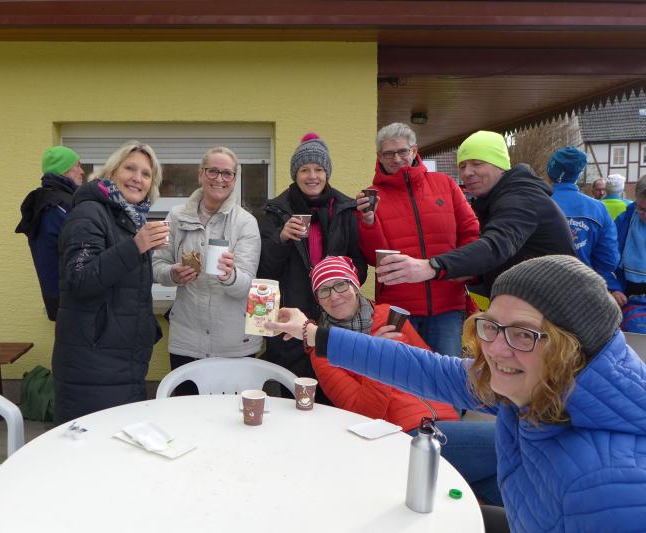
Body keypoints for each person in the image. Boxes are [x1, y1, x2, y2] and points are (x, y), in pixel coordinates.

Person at [270, 255, 646, 532]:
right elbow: (428, 369)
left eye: (522, 333)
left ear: (571, 347)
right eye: (491, 327)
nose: (495, 350)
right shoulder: (537, 385)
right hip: (405, 435)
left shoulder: (609, 486)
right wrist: (313, 334)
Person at [307, 256, 501, 505]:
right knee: (509, 437)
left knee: (506, 482)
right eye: (324, 291)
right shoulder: (323, 350)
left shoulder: (388, 315)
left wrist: (449, 412)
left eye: (341, 285)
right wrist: (378, 356)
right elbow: (364, 414)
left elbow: (428, 366)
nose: (335, 296)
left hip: (444, 422)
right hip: (404, 438)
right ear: (318, 300)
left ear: (355, 285)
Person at [376, 130, 575, 297]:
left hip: (554, 305)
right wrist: (472, 272)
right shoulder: (495, 199)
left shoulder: (521, 197)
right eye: (462, 166)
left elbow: (496, 245)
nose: (467, 173)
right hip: (529, 299)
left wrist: (431, 266)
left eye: (477, 163)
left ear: (499, 165)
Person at [51, 141, 168, 424]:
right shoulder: (89, 213)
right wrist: (135, 246)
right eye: (130, 169)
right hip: (92, 366)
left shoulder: (128, 218)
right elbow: (80, 279)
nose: (137, 178)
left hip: (123, 362)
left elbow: (124, 288)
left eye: (146, 174)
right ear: (112, 172)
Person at [258, 133, 367, 401]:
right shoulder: (275, 212)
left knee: (335, 397)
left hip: (336, 320)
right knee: (292, 397)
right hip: (291, 319)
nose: (312, 176)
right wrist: (282, 239)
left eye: (318, 169)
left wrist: (340, 283)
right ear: (295, 174)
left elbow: (360, 267)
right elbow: (264, 271)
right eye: (304, 170)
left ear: (327, 173)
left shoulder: (345, 209)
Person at [357, 122, 479, 357]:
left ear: (414, 151)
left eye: (402, 151)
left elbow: (471, 233)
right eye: (389, 153)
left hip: (447, 304)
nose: (396, 159)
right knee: (403, 374)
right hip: (399, 309)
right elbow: (374, 258)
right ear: (379, 157)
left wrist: (462, 271)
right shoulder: (372, 197)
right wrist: (368, 222)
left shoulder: (445, 185)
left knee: (446, 373)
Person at [153, 147, 261, 394]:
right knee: (187, 411)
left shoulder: (246, 222)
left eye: (227, 173)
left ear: (234, 179)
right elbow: (157, 266)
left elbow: (247, 285)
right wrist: (172, 274)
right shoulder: (176, 216)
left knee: (232, 414)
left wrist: (230, 277)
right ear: (201, 174)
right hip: (186, 341)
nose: (219, 179)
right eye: (213, 171)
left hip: (234, 343)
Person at [15, 146, 84, 320]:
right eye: (77, 165)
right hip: (71, 300)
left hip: (61, 297)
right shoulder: (57, 206)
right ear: (64, 169)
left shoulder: (48, 201)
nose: (82, 171)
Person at [546, 147, 619, 290]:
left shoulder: (534, 203)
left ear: (550, 171)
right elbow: (609, 260)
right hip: (584, 288)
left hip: (540, 287)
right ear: (578, 174)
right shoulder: (598, 209)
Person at [611, 175, 646, 306]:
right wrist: (614, 287)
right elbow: (606, 256)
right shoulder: (624, 219)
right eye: (641, 209)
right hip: (626, 290)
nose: (645, 215)